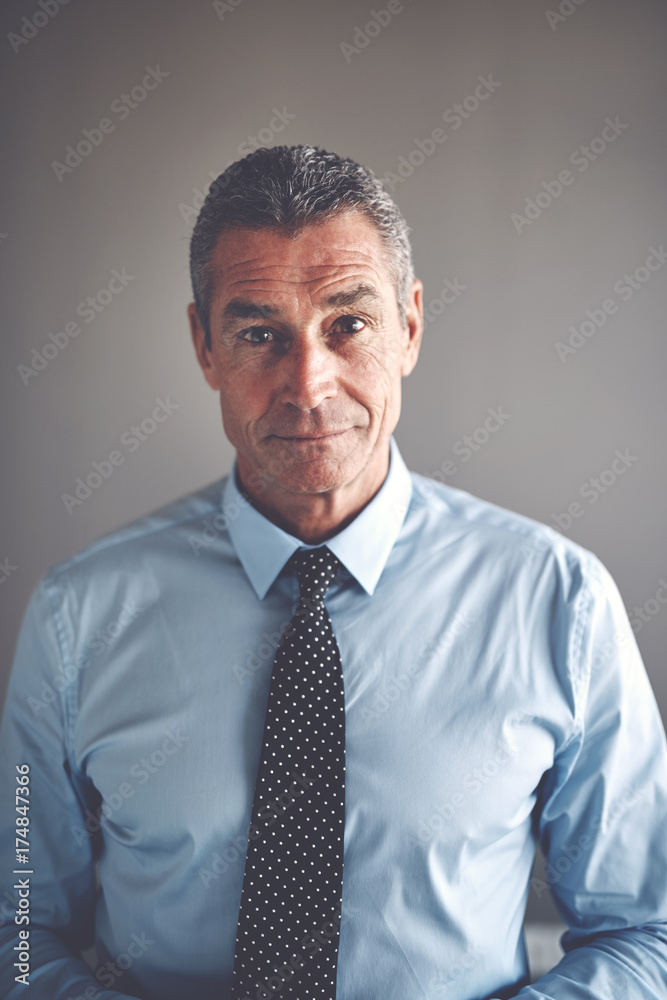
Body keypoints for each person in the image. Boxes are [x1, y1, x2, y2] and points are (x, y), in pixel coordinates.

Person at [1, 144, 666, 1000]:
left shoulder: (559, 603)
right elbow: (20, 933)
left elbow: (643, 930)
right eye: (257, 334)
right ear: (204, 346)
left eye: (348, 325)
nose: (308, 386)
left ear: (410, 329)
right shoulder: (76, 619)